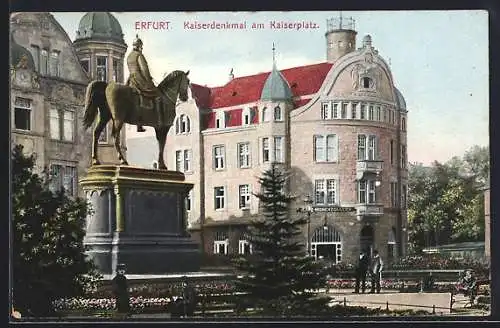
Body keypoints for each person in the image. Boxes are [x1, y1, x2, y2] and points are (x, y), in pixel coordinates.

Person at [126, 34, 163, 132]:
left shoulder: (129, 56)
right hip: (139, 79)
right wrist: (149, 80)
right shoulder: (139, 55)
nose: (141, 48)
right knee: (158, 95)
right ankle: (159, 121)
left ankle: (139, 125)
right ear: (139, 46)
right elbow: (144, 69)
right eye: (141, 46)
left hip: (131, 80)